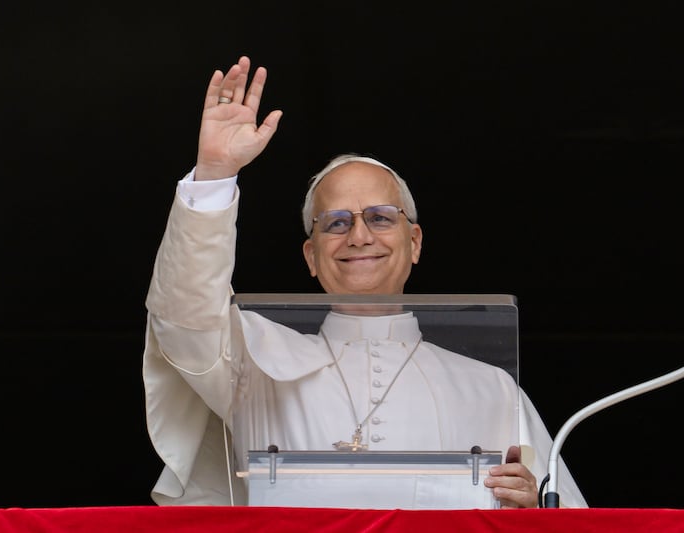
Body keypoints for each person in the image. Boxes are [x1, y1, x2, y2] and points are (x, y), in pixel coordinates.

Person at [143, 55, 587, 508]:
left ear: (414, 242)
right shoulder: (252, 365)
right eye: (335, 223)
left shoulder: (492, 389)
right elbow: (184, 319)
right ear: (311, 256)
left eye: (380, 218)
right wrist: (215, 175)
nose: (358, 236)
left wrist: (535, 512)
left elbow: (573, 516)